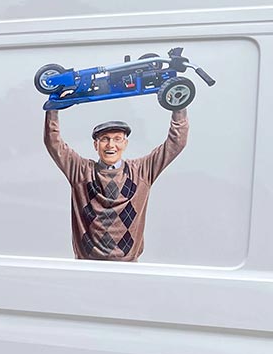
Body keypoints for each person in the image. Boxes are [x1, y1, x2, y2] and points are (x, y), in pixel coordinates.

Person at [43, 108, 189, 261]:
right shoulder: (80, 171)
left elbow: (176, 142)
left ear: (125, 143)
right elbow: (53, 142)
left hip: (128, 268)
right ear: (95, 145)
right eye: (105, 139)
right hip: (86, 266)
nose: (111, 145)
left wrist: (178, 108)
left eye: (117, 139)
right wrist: (53, 109)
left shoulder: (141, 171)